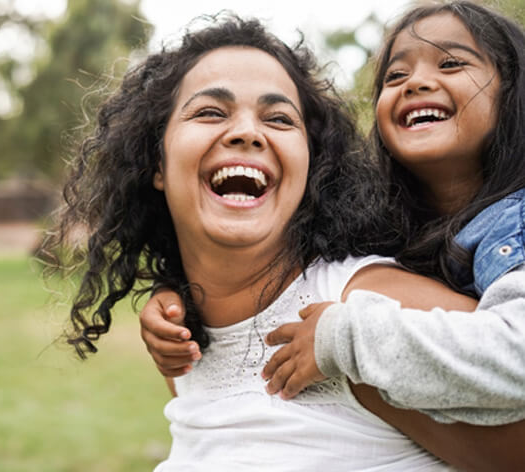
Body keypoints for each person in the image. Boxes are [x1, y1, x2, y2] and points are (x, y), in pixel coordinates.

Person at [47, 13, 525, 471]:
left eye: (278, 119)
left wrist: (349, 341)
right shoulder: (183, 339)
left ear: (310, 167)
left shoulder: (365, 312)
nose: (247, 133)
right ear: (156, 163)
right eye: (211, 111)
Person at [260, 0, 525, 425]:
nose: (416, 82)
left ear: (512, 91)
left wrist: (344, 341)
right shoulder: (382, 221)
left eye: (452, 63)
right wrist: (177, 301)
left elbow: (516, 359)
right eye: (395, 75)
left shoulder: (518, 223)